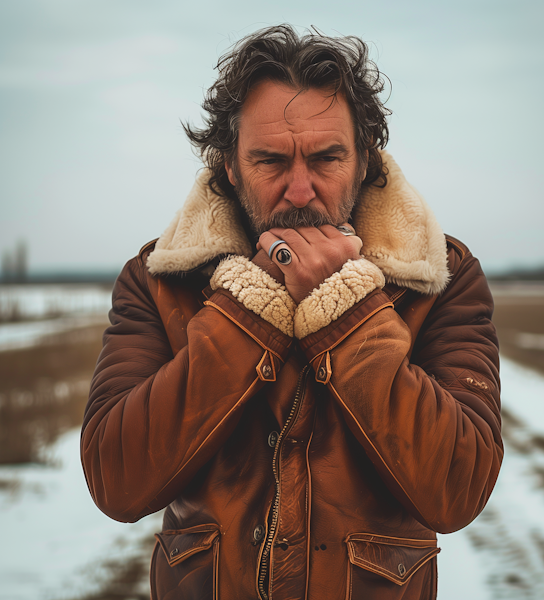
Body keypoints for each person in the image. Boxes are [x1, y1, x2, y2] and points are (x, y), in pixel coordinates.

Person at [81, 25, 502, 600]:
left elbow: (458, 487)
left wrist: (348, 311)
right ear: (230, 165)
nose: (299, 190)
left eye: (327, 157)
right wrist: (246, 311)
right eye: (270, 160)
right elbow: (117, 480)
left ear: (364, 160)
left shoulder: (439, 276)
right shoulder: (161, 279)